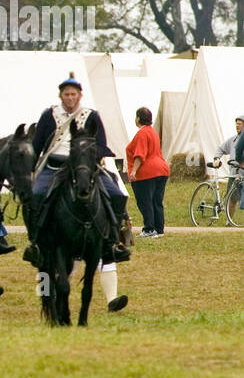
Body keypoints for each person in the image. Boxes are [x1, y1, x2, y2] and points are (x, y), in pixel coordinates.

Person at [23, 75, 131, 267]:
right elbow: (37, 144)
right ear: (61, 96)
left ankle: (112, 242)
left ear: (80, 95)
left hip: (85, 167)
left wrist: (87, 160)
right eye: (67, 94)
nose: (70, 98)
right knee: (36, 194)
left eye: (74, 94)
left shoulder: (91, 116)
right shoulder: (49, 115)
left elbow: (101, 145)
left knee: (116, 194)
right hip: (54, 166)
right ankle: (36, 242)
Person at [126, 106, 169, 239]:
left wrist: (133, 171)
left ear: (138, 118)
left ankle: (149, 228)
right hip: (162, 169)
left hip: (147, 172)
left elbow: (140, 154)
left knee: (145, 201)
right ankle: (159, 228)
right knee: (157, 201)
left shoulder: (142, 133)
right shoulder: (153, 132)